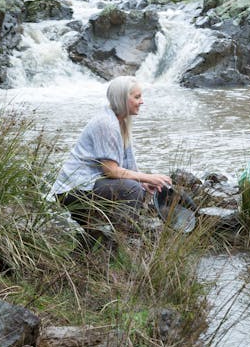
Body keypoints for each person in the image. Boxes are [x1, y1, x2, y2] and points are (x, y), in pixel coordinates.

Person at [49, 76, 171, 231]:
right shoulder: (106, 123)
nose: (142, 101)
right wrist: (147, 177)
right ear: (121, 99)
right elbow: (111, 170)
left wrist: (143, 182)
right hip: (73, 192)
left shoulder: (120, 121)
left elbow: (124, 163)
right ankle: (123, 238)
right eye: (137, 97)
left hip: (88, 186)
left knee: (136, 187)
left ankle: (103, 239)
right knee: (131, 189)